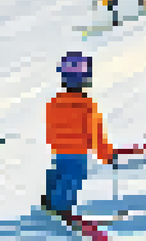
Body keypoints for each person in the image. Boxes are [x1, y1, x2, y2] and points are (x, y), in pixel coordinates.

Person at [43, 52, 116, 219]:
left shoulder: (54, 103)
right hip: (78, 153)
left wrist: (55, 143)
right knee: (72, 180)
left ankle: (49, 199)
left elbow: (50, 127)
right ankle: (62, 209)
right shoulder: (87, 105)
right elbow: (96, 133)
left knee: (59, 173)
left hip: (60, 151)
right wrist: (106, 155)